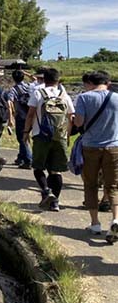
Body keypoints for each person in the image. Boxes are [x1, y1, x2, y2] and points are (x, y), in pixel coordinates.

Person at [74, 70, 117, 240]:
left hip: (90, 146)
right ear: (107, 82)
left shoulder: (84, 97)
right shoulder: (116, 97)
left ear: (92, 82)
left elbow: (79, 122)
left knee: (90, 185)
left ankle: (95, 223)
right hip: (114, 146)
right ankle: (115, 219)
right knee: (113, 186)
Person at [24, 68, 74, 212]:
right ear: (58, 81)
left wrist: (26, 132)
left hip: (41, 135)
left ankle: (46, 191)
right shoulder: (64, 95)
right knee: (56, 171)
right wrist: (68, 136)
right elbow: (71, 117)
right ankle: (55, 203)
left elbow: (30, 114)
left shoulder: (38, 93)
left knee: (38, 167)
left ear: (44, 80)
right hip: (60, 137)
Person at [8, 70, 33, 168]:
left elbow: (9, 103)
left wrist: (10, 118)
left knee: (22, 138)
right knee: (27, 137)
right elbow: (36, 79)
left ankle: (28, 160)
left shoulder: (13, 89)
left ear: (13, 79)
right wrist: (26, 73)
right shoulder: (30, 86)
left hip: (21, 116)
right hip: (32, 115)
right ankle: (21, 157)